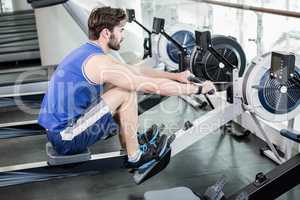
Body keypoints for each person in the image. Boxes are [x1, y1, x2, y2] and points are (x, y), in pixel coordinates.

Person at [38, 7, 216, 170]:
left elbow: (135, 70)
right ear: (107, 33)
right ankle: (135, 156)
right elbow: (153, 87)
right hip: (66, 137)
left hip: (60, 131)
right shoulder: (99, 62)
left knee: (118, 84)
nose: (123, 35)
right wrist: (197, 90)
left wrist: (176, 76)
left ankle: (131, 143)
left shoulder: (89, 53)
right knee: (126, 91)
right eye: (120, 30)